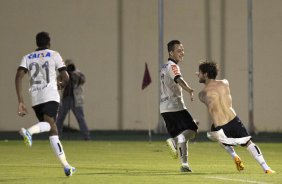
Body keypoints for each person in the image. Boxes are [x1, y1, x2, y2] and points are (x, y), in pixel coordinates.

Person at [197, 60, 275, 174]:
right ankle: (266, 168)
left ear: (206, 74)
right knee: (249, 143)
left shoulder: (202, 94)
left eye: (199, 73)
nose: (197, 75)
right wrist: (205, 76)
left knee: (217, 134)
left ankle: (234, 155)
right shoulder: (225, 83)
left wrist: (203, 81)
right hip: (233, 120)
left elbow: (210, 98)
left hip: (220, 126)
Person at [15, 31, 76, 176]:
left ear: (37, 43)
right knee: (50, 125)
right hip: (50, 95)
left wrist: (20, 101)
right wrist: (61, 84)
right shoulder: (54, 54)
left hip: (36, 98)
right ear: (49, 42)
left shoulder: (27, 57)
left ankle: (66, 166)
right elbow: (66, 77)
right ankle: (28, 132)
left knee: (52, 130)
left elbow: (18, 76)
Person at [160, 40, 198, 172]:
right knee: (192, 129)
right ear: (171, 52)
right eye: (179, 50)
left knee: (183, 136)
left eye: (182, 50)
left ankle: (185, 165)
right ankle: (174, 142)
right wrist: (189, 90)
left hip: (164, 108)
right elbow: (178, 79)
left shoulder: (164, 66)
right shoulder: (172, 66)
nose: (182, 52)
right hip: (175, 106)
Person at [56, 59, 90, 140]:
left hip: (76, 100)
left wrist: (73, 73)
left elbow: (82, 80)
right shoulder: (62, 74)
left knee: (80, 118)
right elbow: (58, 82)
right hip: (65, 99)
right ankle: (56, 136)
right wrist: (64, 72)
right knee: (60, 118)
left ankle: (86, 137)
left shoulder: (78, 73)